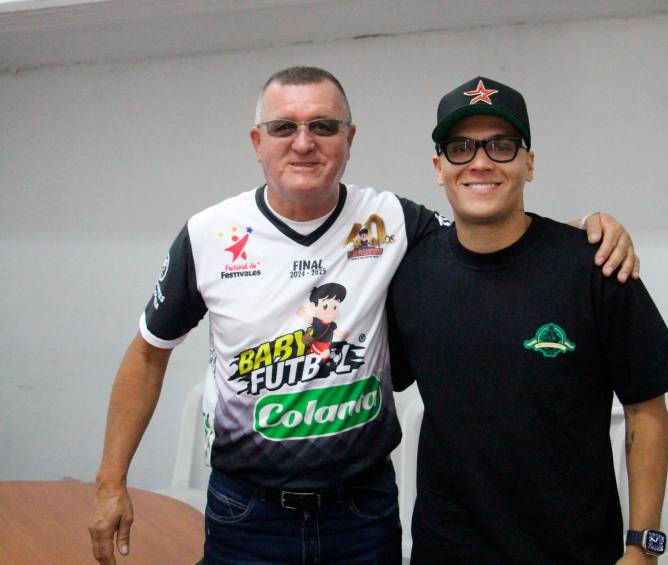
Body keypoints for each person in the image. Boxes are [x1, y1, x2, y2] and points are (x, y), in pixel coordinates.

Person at [88, 66, 639, 565]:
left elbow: (492, 230)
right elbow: (146, 354)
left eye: (324, 126)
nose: (304, 143)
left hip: (362, 511)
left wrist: (586, 231)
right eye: (284, 128)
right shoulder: (209, 235)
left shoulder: (394, 220)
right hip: (246, 514)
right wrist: (111, 480)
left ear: (349, 140)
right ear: (258, 143)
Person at [387, 76, 668, 564]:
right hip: (447, 550)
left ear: (529, 163)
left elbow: (646, 412)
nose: (481, 162)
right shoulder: (410, 275)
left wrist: (643, 549)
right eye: (461, 147)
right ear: (438, 166)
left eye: (502, 146)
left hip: (574, 550)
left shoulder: (596, 267)